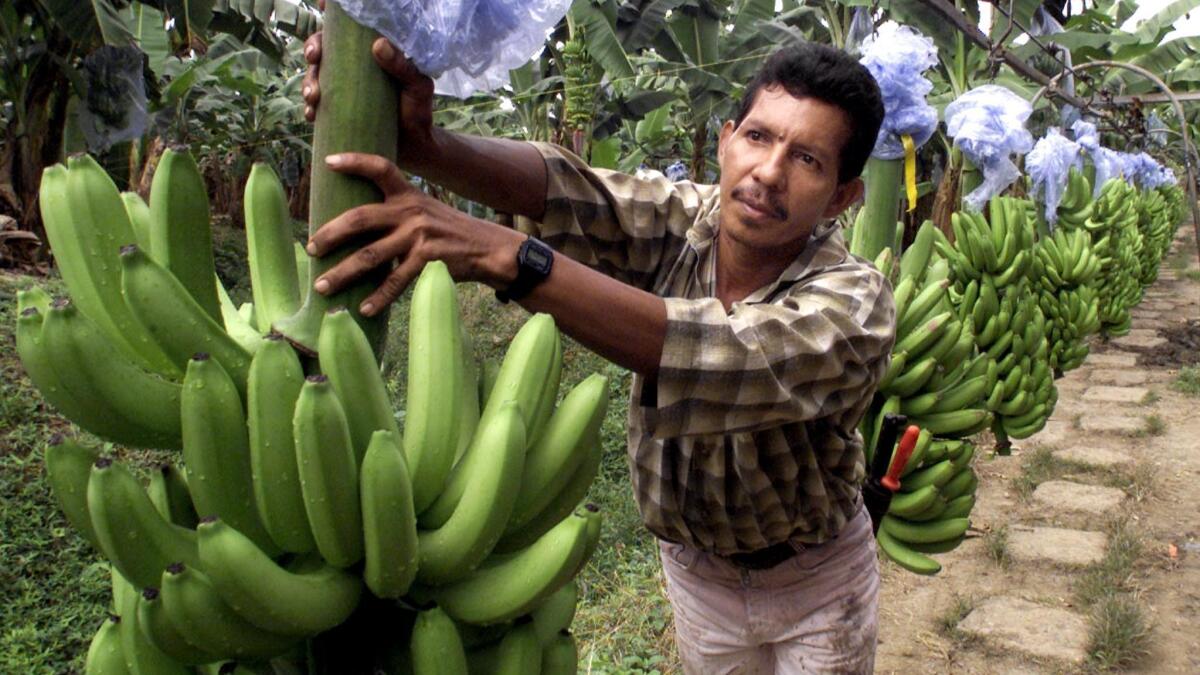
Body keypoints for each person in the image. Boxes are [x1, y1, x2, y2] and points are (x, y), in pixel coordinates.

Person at [302, 27, 893, 674]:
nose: (769, 172)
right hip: (697, 574)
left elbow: (727, 356)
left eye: (807, 159)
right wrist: (427, 144)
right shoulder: (686, 221)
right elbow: (574, 191)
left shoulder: (855, 303)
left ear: (843, 196)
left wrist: (512, 258)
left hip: (815, 580)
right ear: (726, 139)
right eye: (758, 137)